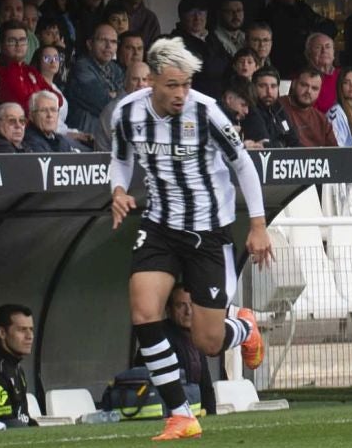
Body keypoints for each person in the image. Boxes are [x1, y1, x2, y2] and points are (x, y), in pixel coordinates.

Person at [109, 38, 269, 441]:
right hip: (160, 225)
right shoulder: (127, 113)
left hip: (209, 233)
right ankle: (180, 414)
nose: (181, 93)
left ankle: (244, 327)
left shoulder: (207, 111)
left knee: (209, 341)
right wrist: (118, 190)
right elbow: (121, 158)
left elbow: (243, 165)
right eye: (172, 85)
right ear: (153, 81)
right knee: (144, 311)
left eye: (186, 84)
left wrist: (257, 225)